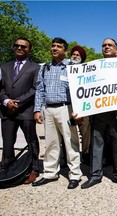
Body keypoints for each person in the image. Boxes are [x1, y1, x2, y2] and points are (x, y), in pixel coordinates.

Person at [81, 38, 117, 189]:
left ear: (116, 49)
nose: (106, 47)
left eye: (109, 45)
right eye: (104, 45)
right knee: (96, 145)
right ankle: (95, 175)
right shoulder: (94, 67)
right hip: (99, 113)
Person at [32, 37, 82, 189]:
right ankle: (50, 173)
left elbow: (81, 89)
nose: (54, 48)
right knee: (51, 143)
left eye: (58, 46)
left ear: (65, 51)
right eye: (53, 46)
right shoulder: (44, 68)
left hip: (66, 109)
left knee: (70, 142)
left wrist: (78, 110)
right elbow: (40, 90)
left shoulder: (73, 67)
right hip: (48, 109)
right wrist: (37, 109)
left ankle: (75, 174)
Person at [0, 38, 40, 184]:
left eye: (23, 46)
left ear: (29, 49)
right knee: (8, 142)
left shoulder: (35, 67)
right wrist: (6, 101)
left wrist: (18, 102)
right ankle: (6, 168)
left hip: (26, 110)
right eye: (16, 46)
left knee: (32, 141)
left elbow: (35, 88)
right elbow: (1, 88)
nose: (19, 48)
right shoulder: (4, 67)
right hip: (7, 111)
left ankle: (34, 168)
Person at [70, 45, 91, 165]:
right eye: (73, 54)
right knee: (69, 135)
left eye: (78, 55)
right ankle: (68, 158)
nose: (75, 56)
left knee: (85, 133)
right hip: (68, 106)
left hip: (84, 107)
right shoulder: (66, 69)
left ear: (82, 58)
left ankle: (86, 155)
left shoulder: (88, 70)